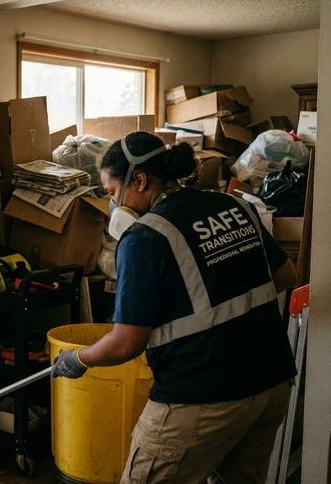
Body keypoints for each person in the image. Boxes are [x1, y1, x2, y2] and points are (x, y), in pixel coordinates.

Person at [52, 131, 298, 483]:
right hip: (270, 381)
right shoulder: (235, 205)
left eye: (111, 192)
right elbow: (285, 274)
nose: (113, 204)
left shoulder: (144, 238)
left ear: (139, 180)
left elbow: (126, 342)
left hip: (200, 394)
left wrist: (79, 359)